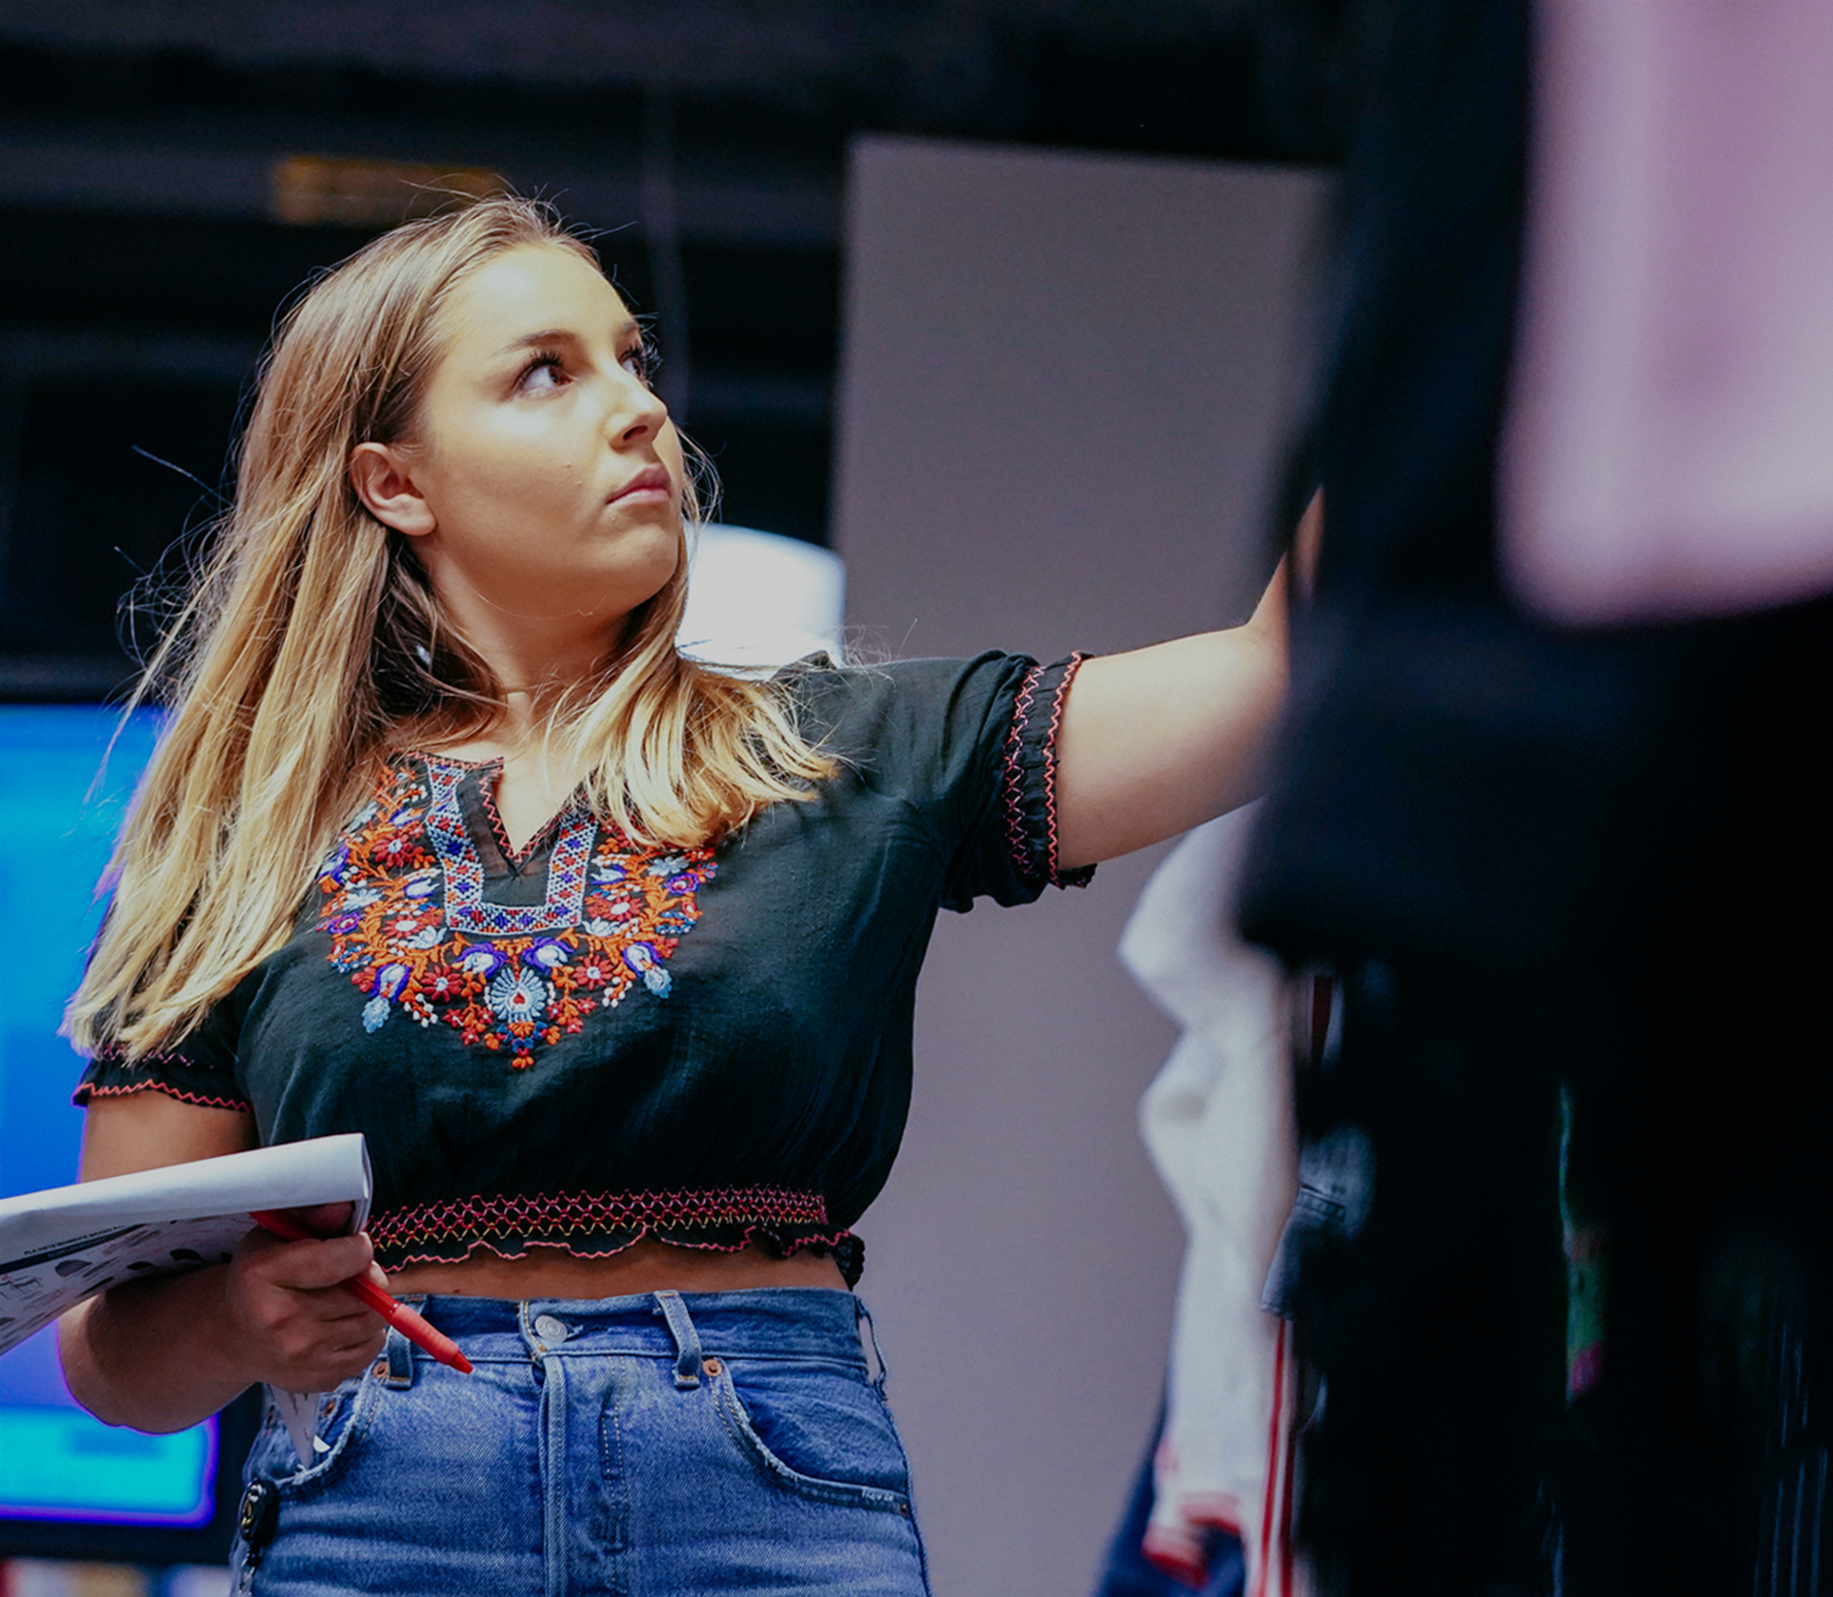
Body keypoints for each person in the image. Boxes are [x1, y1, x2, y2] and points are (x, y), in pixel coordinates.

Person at [53, 195, 1288, 1594]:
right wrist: (234, 1318)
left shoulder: (857, 747)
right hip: (374, 1509)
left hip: (770, 1492)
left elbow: (1279, 675)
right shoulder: (238, 833)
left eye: (632, 359)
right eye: (547, 372)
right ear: (395, 483)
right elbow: (112, 1352)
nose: (638, 409)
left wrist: (1497, 227)